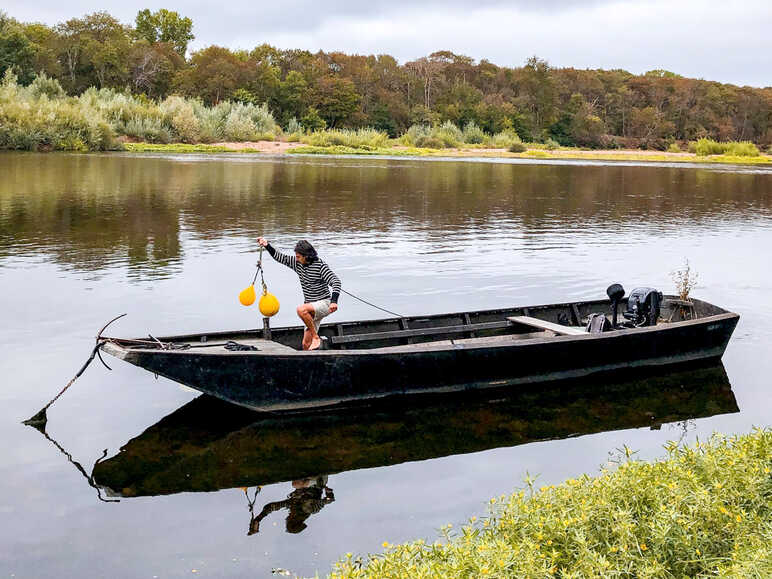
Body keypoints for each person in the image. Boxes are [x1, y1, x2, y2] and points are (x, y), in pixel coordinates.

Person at [257, 237, 341, 350]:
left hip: (324, 304)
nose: (296, 259)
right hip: (310, 306)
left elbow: (336, 281)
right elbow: (280, 257)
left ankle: (316, 338)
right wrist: (267, 245)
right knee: (305, 345)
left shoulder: (320, 266)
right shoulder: (297, 263)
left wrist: (334, 302)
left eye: (298, 256)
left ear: (306, 256)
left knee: (301, 310)